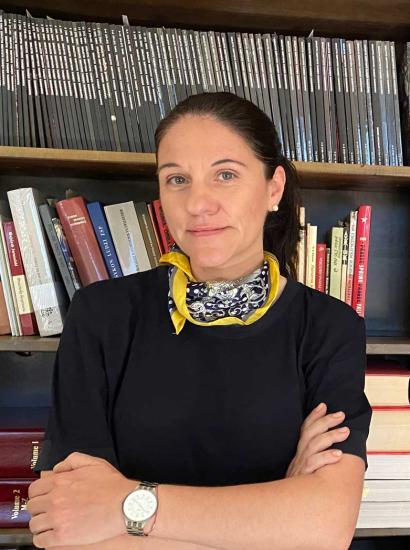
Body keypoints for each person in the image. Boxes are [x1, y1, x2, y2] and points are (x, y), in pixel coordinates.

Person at [28, 92, 372, 550]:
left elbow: (327, 528)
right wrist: (277, 516)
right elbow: (65, 528)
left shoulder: (330, 328)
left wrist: (124, 507)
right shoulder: (101, 314)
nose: (198, 203)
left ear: (273, 188)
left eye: (225, 175)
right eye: (177, 179)